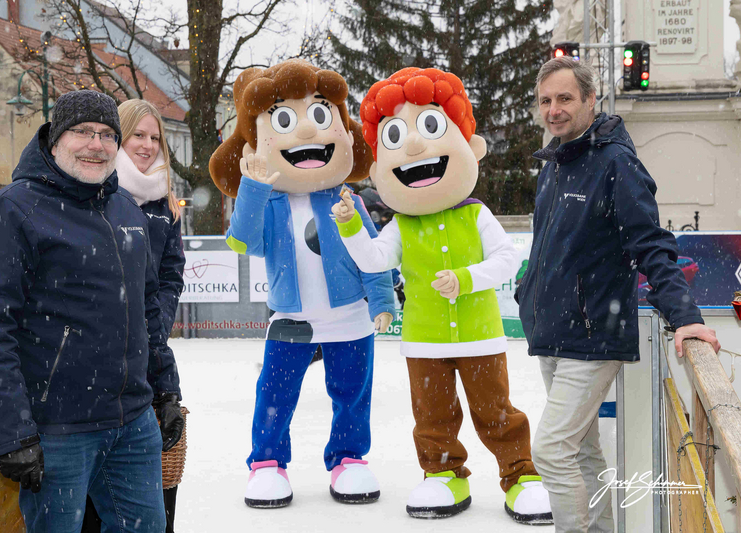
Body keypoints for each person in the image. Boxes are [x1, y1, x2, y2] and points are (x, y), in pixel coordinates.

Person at [332, 67, 553, 524]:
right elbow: (373, 260)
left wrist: (467, 278)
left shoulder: (475, 214)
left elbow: (507, 259)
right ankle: (443, 473)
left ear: (469, 147)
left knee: (496, 411)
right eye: (396, 137)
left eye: (430, 128)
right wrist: (351, 225)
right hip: (424, 339)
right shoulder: (402, 225)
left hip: (479, 335)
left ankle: (520, 475)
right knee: (432, 415)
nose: (414, 147)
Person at [0, 89, 183, 532]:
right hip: (58, 430)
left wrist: (166, 390)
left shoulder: (125, 210)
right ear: (55, 138)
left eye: (107, 134)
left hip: (132, 424)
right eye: (83, 132)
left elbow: (145, 314)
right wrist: (15, 433)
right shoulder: (13, 210)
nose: (96, 145)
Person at [517, 57, 721, 533]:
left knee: (551, 450)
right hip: (554, 333)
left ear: (591, 99)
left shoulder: (615, 163)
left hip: (593, 335)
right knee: (580, 450)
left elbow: (651, 244)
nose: (553, 110)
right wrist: (530, 295)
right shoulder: (554, 165)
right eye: (545, 100)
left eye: (565, 98)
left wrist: (685, 316)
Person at [209, 59, 396, 508]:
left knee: (352, 392)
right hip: (291, 318)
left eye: (319, 115)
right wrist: (253, 187)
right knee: (275, 392)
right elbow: (242, 241)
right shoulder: (270, 205)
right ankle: (267, 462)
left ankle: (348, 457)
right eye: (284, 120)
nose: (308, 132)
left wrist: (381, 300)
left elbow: (372, 257)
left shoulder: (348, 201)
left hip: (349, 315)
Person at [82, 99, 186, 533]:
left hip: (150, 351)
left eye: (155, 137)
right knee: (95, 488)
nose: (147, 145)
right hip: (97, 358)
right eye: (138, 135)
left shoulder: (166, 204)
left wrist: (154, 323)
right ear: (118, 137)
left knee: (156, 481)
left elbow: (170, 274)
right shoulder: (95, 192)